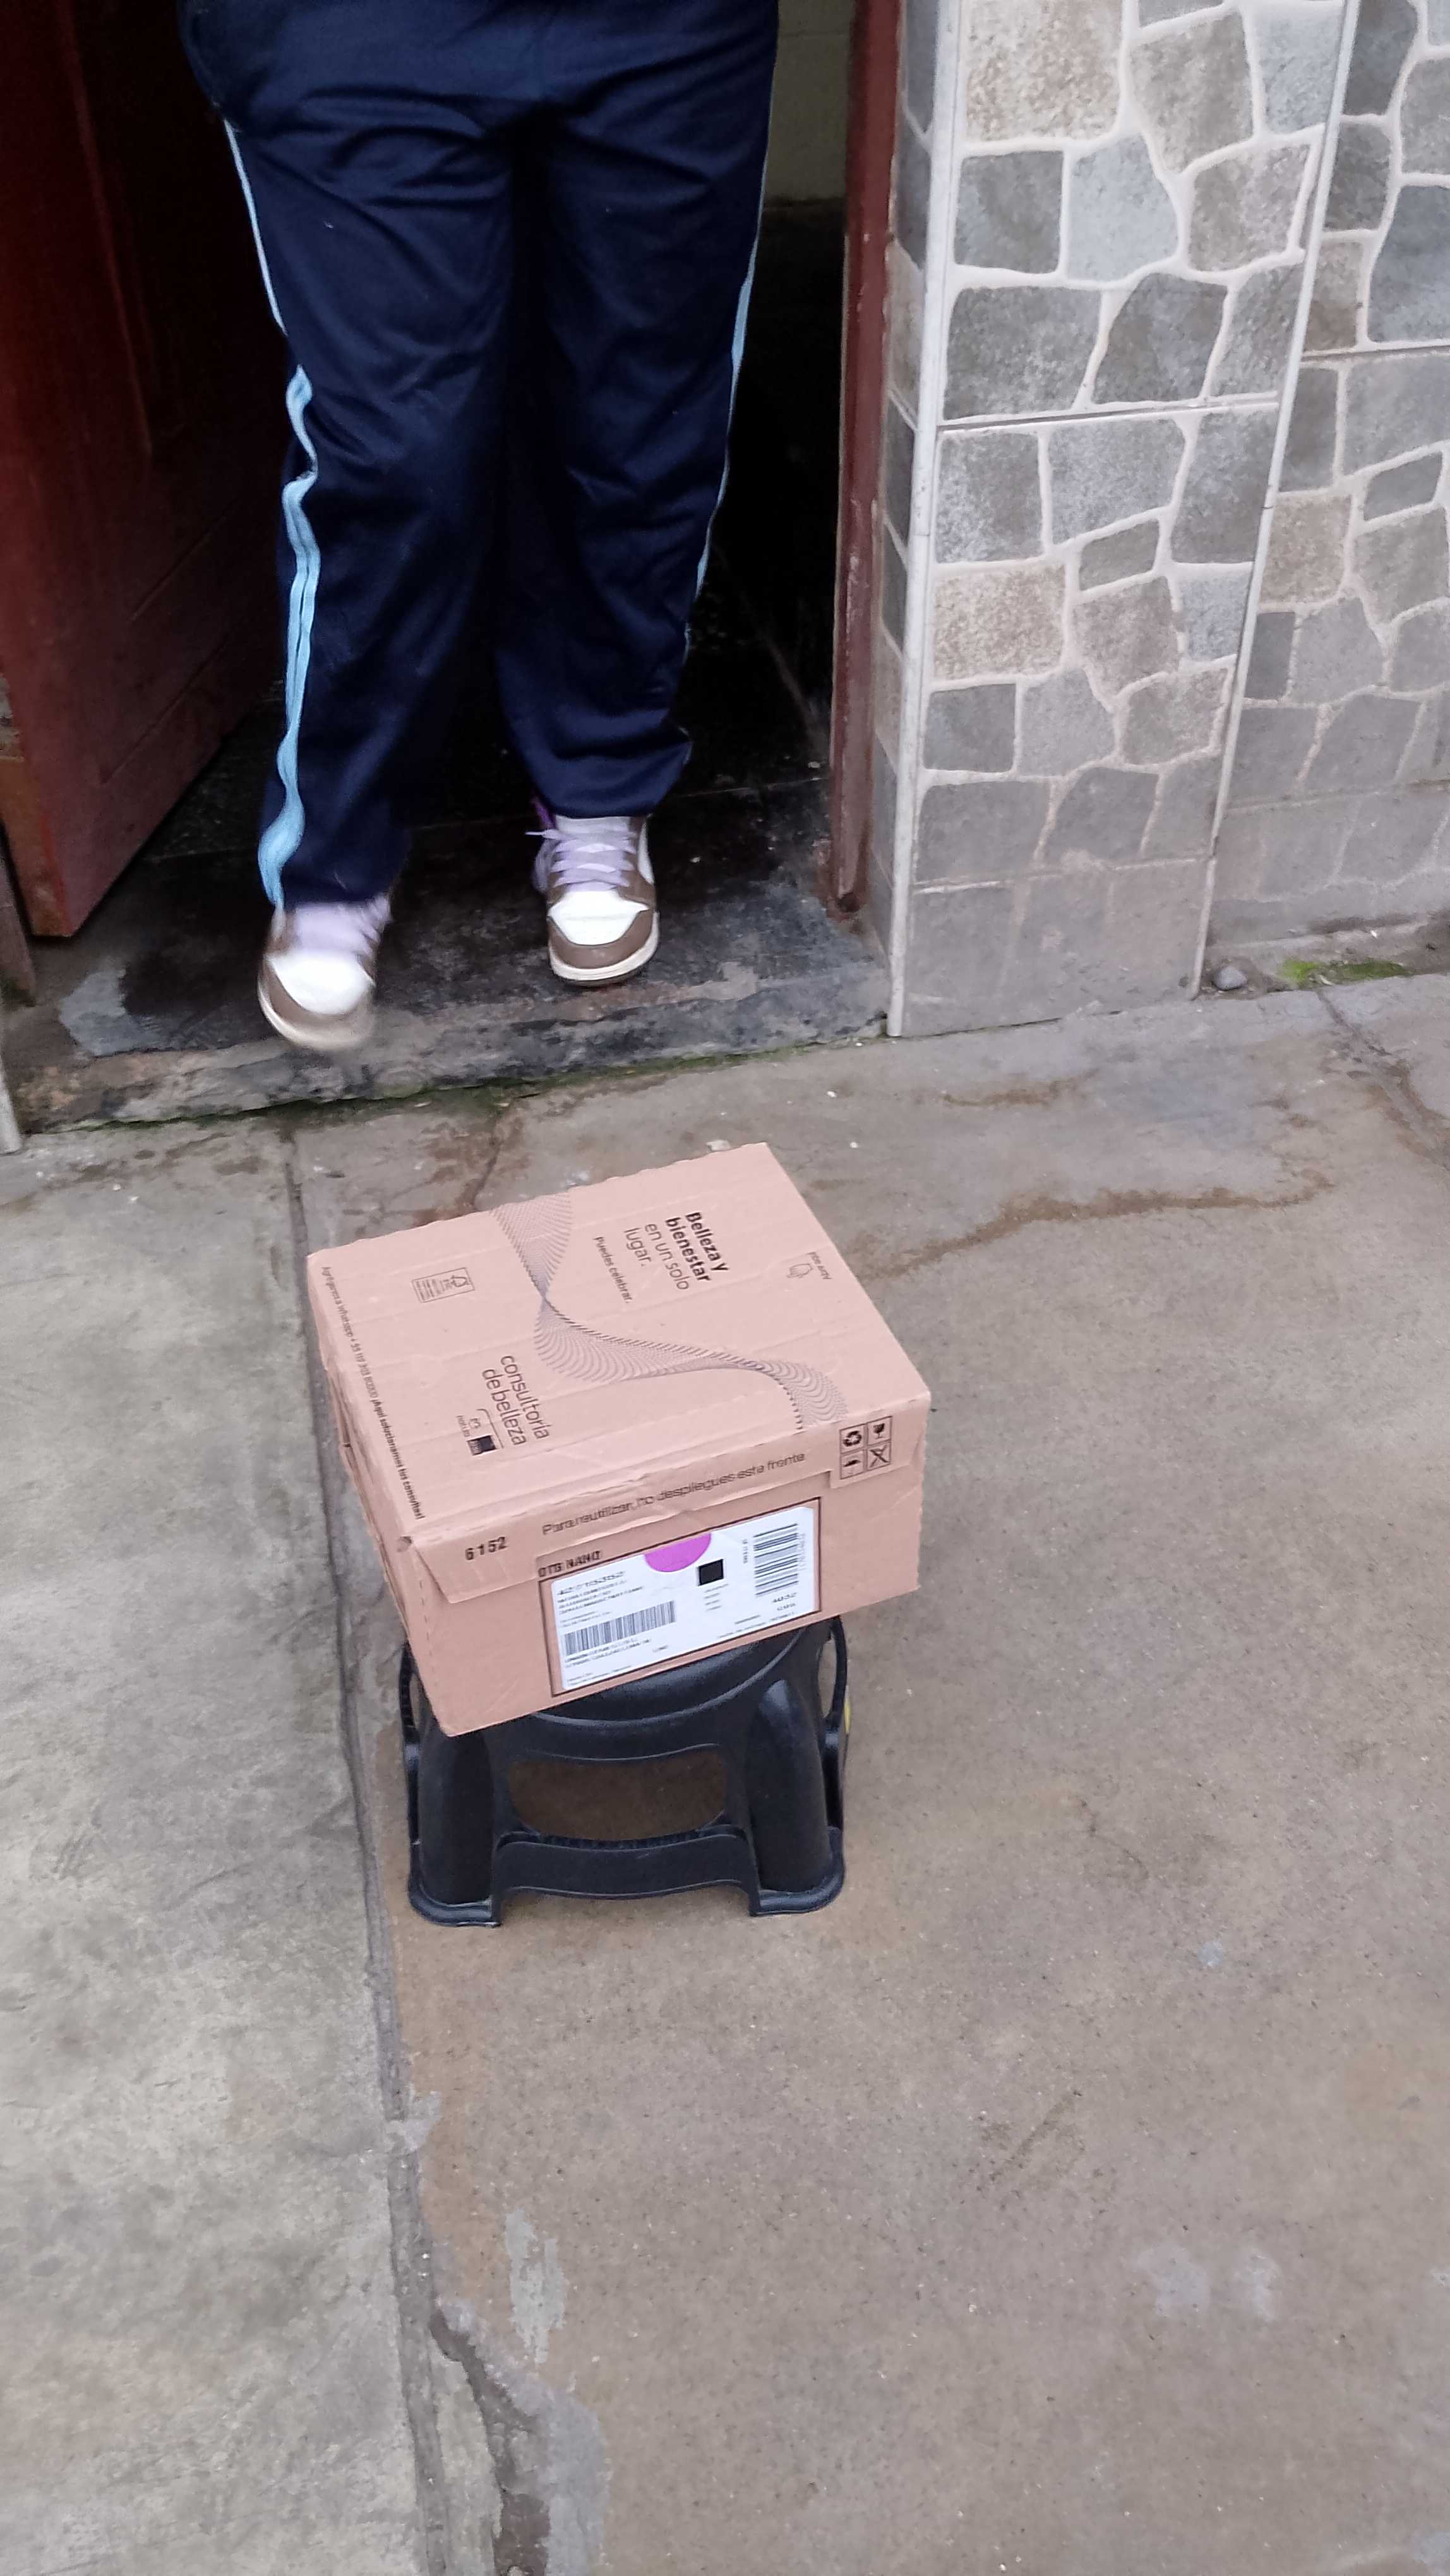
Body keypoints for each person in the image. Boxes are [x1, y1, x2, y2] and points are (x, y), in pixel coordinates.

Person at [179, 0, 777, 1051]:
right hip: (346, 26)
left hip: (662, 29)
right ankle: (336, 853)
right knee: (394, 453)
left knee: (638, 417)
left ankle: (596, 780)